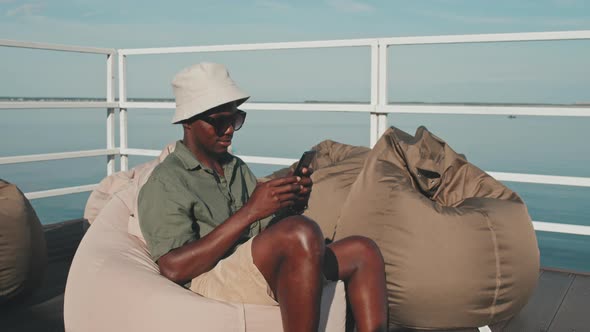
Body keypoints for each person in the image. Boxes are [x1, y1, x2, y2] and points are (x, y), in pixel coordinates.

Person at [138, 63, 387, 332]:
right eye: (219, 121)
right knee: (301, 232)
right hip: (209, 277)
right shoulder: (166, 181)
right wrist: (250, 212)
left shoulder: (235, 167)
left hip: (250, 265)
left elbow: (264, 234)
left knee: (363, 250)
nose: (230, 129)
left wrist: (292, 204)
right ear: (188, 122)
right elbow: (173, 267)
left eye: (235, 119)